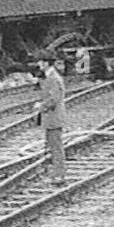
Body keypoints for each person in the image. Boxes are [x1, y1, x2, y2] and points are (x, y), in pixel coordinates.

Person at [33, 51, 67, 183]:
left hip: (54, 117)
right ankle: (54, 173)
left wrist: (41, 106)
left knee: (56, 147)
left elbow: (54, 99)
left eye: (40, 62)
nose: (38, 64)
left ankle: (59, 174)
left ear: (46, 63)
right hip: (50, 118)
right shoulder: (49, 76)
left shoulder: (53, 78)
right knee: (51, 146)